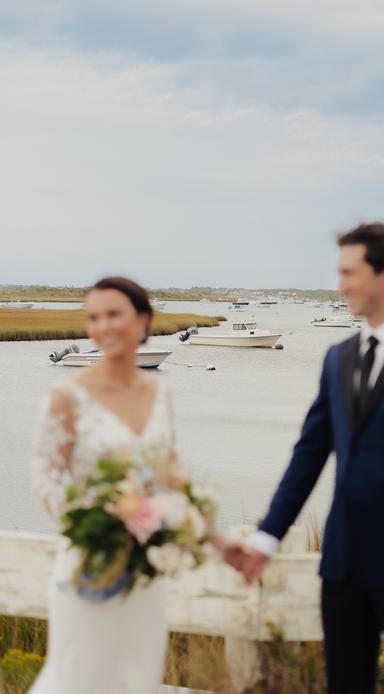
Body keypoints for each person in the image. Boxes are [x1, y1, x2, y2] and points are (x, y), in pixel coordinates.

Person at [231, 223, 384, 694]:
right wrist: (267, 537)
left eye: (349, 272)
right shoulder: (337, 357)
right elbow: (309, 453)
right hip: (342, 567)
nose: (340, 285)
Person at [30, 276, 234, 694]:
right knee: (78, 677)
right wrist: (97, 526)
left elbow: (170, 476)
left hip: (145, 568)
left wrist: (207, 534)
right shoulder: (66, 394)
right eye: (93, 317)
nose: (103, 326)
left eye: (114, 314)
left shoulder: (159, 392)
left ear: (143, 319)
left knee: (137, 677)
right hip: (90, 563)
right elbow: (46, 478)